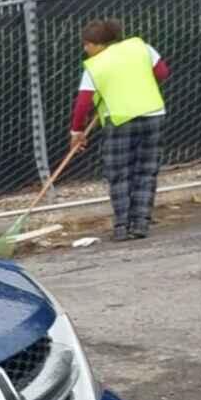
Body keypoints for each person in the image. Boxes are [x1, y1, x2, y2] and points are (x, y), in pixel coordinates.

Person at [69, 19, 169, 241]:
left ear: (98, 44)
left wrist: (77, 131)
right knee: (146, 171)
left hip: (120, 120)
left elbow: (83, 103)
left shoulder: (96, 66)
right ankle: (141, 224)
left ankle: (122, 226)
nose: (85, 50)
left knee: (119, 174)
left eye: (87, 45)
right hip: (153, 114)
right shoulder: (141, 47)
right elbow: (162, 73)